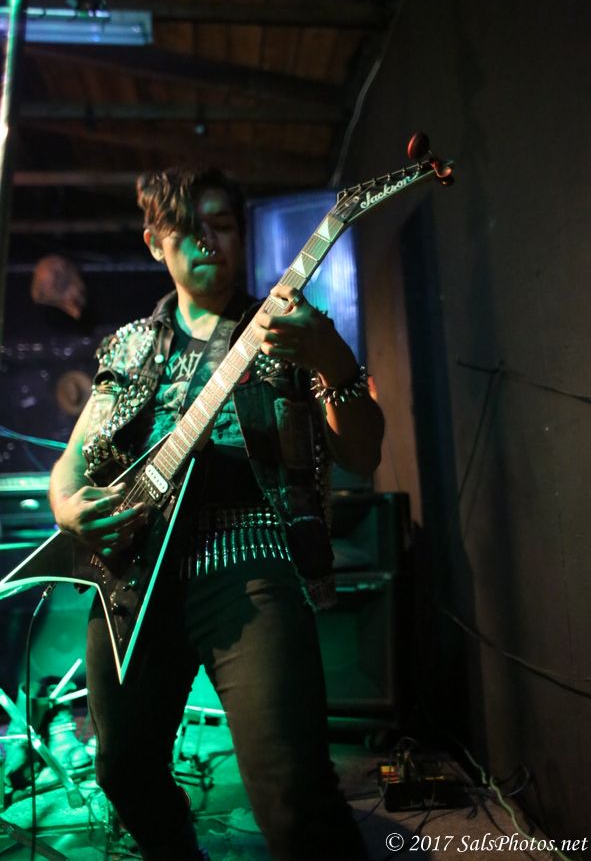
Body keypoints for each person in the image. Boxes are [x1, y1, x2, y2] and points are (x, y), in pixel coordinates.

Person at [48, 167, 384, 861]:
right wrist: (71, 509)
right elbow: (73, 461)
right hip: (133, 576)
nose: (209, 241)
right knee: (122, 770)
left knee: (293, 792)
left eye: (223, 226)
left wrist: (333, 359)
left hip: (247, 553)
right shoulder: (129, 345)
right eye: (189, 229)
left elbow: (363, 454)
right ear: (155, 243)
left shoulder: (284, 330)